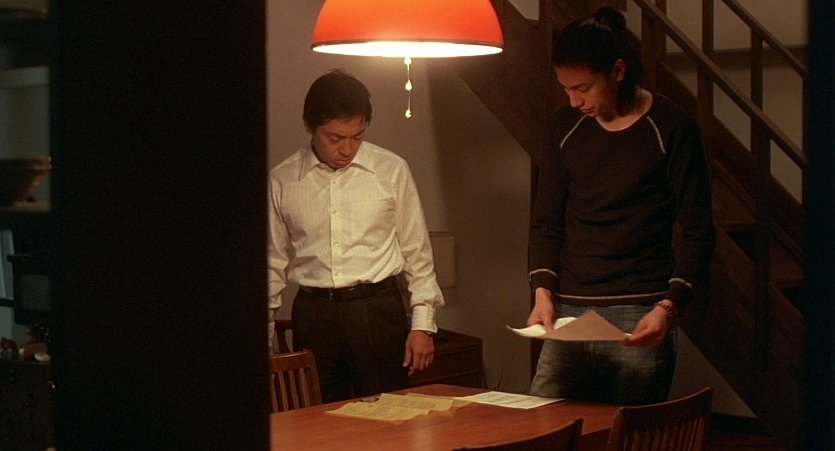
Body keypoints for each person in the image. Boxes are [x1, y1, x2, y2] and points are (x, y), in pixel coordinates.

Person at [526, 6, 715, 405]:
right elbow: (546, 223)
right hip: (569, 309)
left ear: (618, 71)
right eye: (566, 89)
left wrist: (669, 306)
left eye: (583, 88)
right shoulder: (564, 127)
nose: (574, 101)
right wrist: (543, 294)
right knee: (541, 424)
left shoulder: (672, 127)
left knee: (626, 430)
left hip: (640, 307)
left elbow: (698, 230)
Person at [267, 69, 444, 403]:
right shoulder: (283, 180)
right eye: (335, 138)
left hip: (376, 309)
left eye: (357, 137)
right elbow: (270, 265)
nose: (347, 149)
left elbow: (417, 253)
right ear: (309, 126)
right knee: (316, 417)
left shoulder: (391, 170)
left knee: (390, 414)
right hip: (315, 313)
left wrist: (423, 325)